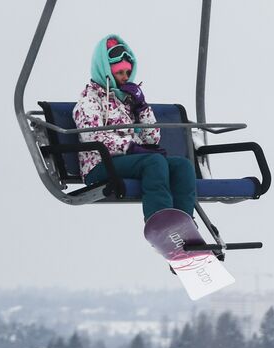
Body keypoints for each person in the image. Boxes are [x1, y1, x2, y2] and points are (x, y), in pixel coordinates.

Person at [72, 34, 197, 220]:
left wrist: (141, 107)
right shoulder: (89, 101)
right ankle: (159, 219)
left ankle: (182, 222)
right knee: (154, 162)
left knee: (182, 166)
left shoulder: (126, 100)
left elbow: (152, 139)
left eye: (127, 73)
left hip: (128, 162)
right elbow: (93, 136)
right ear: (106, 71)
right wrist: (130, 147)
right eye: (119, 73)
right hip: (99, 165)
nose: (125, 78)